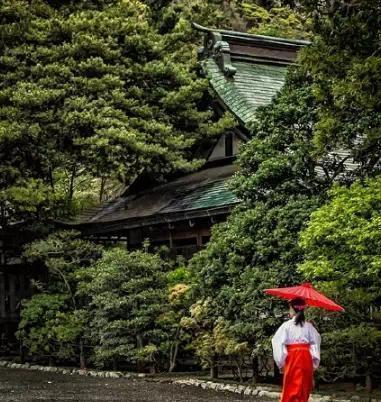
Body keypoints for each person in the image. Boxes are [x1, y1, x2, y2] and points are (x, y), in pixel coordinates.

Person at [272, 297, 321, 402]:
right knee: (303, 387)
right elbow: (316, 343)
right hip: (306, 358)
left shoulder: (286, 326)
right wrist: (314, 363)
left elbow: (277, 342)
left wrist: (280, 363)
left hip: (292, 357)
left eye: (289, 308)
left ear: (292, 309)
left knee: (291, 387)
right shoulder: (309, 326)